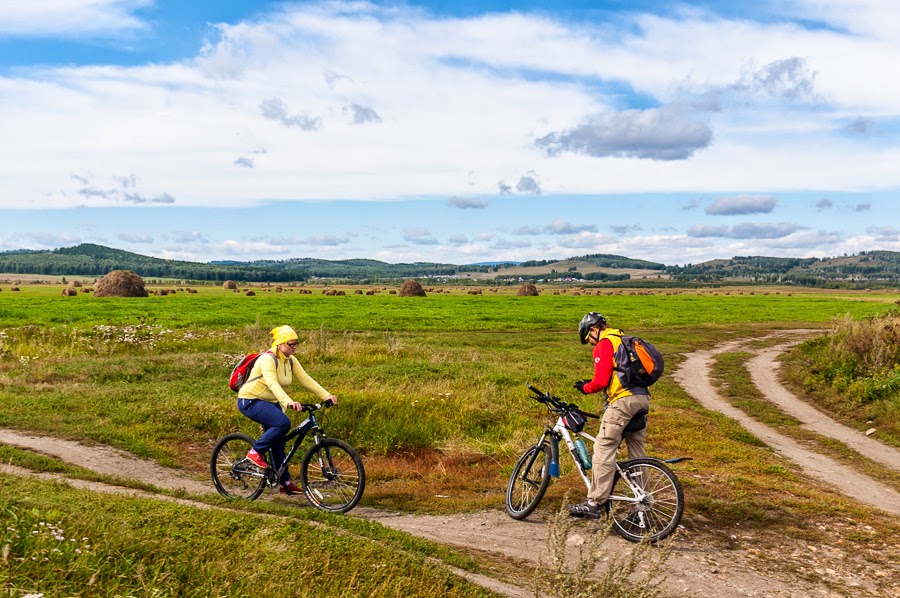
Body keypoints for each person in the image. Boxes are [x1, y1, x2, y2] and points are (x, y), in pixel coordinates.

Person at [568, 312, 650, 518]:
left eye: (588, 337)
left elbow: (601, 381)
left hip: (622, 402)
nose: (589, 342)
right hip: (642, 399)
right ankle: (643, 503)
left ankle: (595, 502)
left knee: (604, 447)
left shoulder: (604, 344)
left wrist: (585, 388)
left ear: (594, 329)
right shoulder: (622, 339)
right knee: (637, 452)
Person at [237, 325, 337, 494]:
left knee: (278, 441)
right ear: (280, 344)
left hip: (269, 402)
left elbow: (306, 379)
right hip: (250, 400)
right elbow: (272, 383)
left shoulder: (290, 360)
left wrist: (327, 395)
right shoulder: (267, 359)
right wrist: (289, 401)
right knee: (283, 423)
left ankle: (284, 483)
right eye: (291, 344)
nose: (294, 347)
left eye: (296, 343)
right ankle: (255, 453)